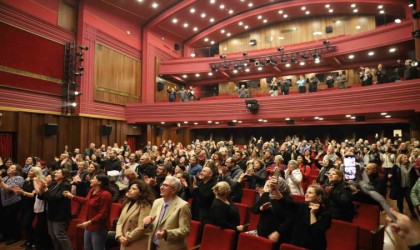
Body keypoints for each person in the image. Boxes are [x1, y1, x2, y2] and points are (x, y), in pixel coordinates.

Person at [268, 182, 332, 250]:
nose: (306, 194)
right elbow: (283, 202)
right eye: (306, 192)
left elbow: (316, 232)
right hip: (297, 243)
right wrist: (274, 189)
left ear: (318, 196)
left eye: (310, 193)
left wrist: (312, 214)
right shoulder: (302, 206)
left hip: (314, 246)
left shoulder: (325, 214)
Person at [64, 173, 113, 250]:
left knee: (98, 248)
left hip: (99, 227)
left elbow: (103, 214)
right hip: (89, 225)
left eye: (94, 179)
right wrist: (72, 197)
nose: (91, 180)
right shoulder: (92, 190)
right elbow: (86, 201)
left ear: (99, 182)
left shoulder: (106, 195)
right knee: (87, 248)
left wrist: (89, 222)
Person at [143, 176, 191, 250]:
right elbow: (152, 224)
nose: (161, 187)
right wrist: (147, 224)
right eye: (162, 184)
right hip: (153, 245)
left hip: (170, 247)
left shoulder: (183, 206)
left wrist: (166, 233)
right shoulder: (157, 202)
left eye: (165, 185)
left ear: (174, 190)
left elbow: (185, 230)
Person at [35, 168, 72, 250]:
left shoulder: (66, 185)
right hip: (50, 213)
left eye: (57, 173)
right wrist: (41, 189)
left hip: (60, 214)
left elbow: (56, 198)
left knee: (60, 235)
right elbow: (42, 197)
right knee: (52, 235)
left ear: (63, 175)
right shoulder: (53, 183)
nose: (55, 174)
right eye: (55, 173)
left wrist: (45, 190)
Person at [115, 179, 155, 250]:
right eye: (130, 188)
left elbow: (142, 227)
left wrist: (128, 238)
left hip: (137, 242)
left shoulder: (145, 205)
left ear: (141, 193)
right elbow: (120, 221)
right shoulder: (127, 202)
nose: (130, 190)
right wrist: (119, 236)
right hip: (124, 241)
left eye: (134, 189)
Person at [0, 164, 24, 245]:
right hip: (3, 202)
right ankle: (6, 236)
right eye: (9, 167)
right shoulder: (5, 178)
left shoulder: (19, 178)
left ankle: (14, 237)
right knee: (3, 219)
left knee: (11, 220)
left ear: (16, 171)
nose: (9, 168)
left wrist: (1, 182)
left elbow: (10, 191)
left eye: (12, 168)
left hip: (13, 202)